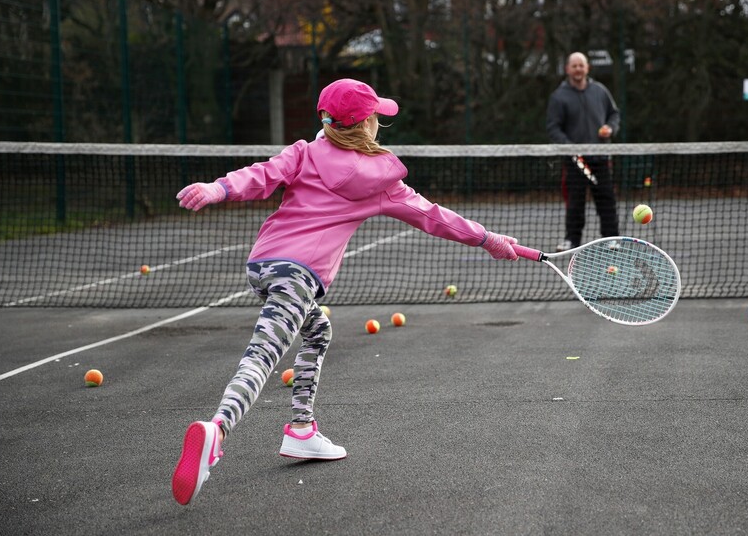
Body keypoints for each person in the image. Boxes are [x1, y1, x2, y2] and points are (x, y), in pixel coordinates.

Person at [170, 78, 519, 505]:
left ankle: (301, 430)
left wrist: (217, 188)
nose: (379, 122)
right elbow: (434, 217)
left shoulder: (305, 152)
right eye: (376, 116)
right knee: (261, 356)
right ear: (366, 123)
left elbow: (260, 175)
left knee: (317, 331)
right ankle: (216, 430)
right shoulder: (381, 180)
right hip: (298, 276)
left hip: (263, 266)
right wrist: (486, 238)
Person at [545, 52, 621, 251]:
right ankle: (572, 240)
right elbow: (553, 128)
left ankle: (611, 238)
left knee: (606, 200)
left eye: (581, 65)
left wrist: (610, 128)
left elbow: (614, 114)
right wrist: (570, 147)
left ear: (587, 68)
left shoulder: (600, 91)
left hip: (601, 157)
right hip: (575, 160)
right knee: (575, 202)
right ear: (567, 69)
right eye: (574, 66)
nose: (578, 69)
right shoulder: (558, 96)